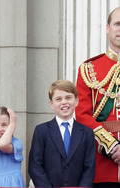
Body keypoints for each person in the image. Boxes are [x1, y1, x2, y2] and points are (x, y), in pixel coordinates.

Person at [75, 7, 120, 188]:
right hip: (102, 168)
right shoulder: (89, 69)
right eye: (118, 24)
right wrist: (112, 146)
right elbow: (82, 115)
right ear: (108, 27)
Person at [28, 80, 96, 187]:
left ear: (76, 101)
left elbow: (89, 167)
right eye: (58, 99)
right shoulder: (41, 131)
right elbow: (35, 166)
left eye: (68, 97)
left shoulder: (87, 133)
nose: (64, 102)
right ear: (52, 104)